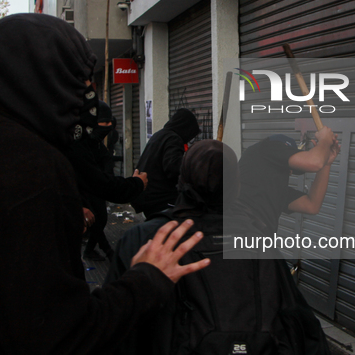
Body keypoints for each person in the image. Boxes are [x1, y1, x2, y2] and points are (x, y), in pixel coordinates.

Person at [0, 13, 209, 354]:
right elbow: (61, 336)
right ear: (46, 81)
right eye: (77, 82)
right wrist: (148, 278)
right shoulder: (32, 168)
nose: (85, 99)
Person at [107, 140, 330, 354]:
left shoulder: (147, 238)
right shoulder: (259, 242)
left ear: (182, 180)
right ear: (236, 185)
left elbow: (113, 320)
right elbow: (300, 323)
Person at [66, 100, 147, 261]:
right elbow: (100, 183)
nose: (108, 126)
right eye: (105, 121)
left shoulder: (91, 145)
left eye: (111, 122)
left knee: (99, 218)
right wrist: (136, 184)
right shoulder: (75, 147)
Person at [236, 128, 340, 234]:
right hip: (238, 238)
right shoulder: (266, 147)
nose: (290, 173)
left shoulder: (272, 189)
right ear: (281, 152)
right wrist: (325, 140)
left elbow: (312, 206)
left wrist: (327, 164)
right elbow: (315, 162)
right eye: (288, 166)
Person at [130, 108, 200, 218]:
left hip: (148, 196)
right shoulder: (173, 138)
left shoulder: (160, 135)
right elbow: (173, 168)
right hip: (160, 199)